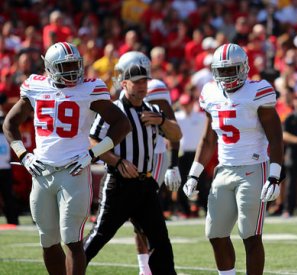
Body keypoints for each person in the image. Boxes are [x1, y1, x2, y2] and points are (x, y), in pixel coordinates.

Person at [2, 42, 131, 275]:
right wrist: (23, 155)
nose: (73, 71)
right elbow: (10, 123)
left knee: (72, 239)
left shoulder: (90, 88)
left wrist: (93, 153)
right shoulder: (35, 86)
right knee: (47, 240)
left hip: (75, 171)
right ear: (49, 68)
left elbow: (122, 124)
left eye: (75, 64)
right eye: (65, 66)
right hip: (41, 172)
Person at [182, 43, 284, 275]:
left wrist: (275, 176)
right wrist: (193, 174)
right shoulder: (210, 92)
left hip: (253, 168)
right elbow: (207, 140)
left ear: (244, 68)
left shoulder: (258, 91)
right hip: (223, 169)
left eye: (232, 70)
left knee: (249, 234)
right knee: (215, 233)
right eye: (222, 70)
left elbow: (276, 139)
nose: (227, 76)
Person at [84, 56, 182, 275]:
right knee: (100, 235)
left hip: (146, 184)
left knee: (160, 242)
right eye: (136, 82)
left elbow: (177, 134)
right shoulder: (114, 109)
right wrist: (117, 161)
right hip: (119, 184)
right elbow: (93, 140)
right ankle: (70, 270)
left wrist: (163, 121)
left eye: (144, 81)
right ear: (124, 83)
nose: (141, 86)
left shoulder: (153, 109)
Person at [115, 51, 182, 275]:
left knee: (143, 213)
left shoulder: (155, 87)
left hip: (155, 155)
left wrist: (173, 164)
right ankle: (144, 268)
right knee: (137, 216)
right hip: (132, 157)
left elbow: (172, 125)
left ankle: (149, 268)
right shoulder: (125, 89)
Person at [0, 93, 18, 225]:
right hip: (5, 162)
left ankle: (12, 220)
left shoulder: (5, 117)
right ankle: (12, 220)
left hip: (5, 162)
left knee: (8, 195)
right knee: (8, 195)